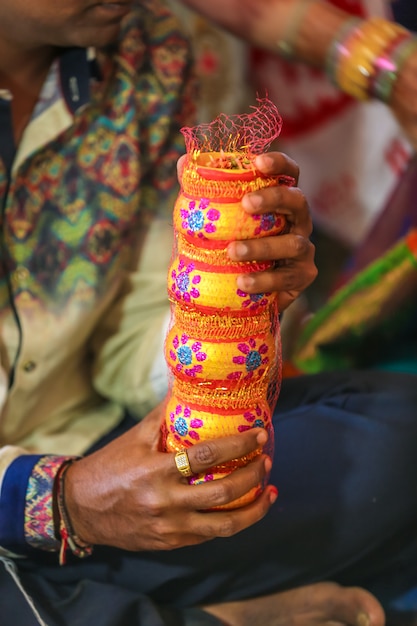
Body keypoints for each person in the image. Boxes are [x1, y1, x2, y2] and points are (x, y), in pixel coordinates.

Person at [0, 2, 417, 626]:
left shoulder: (147, 55)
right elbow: (64, 499)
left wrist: (235, 305)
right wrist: (61, 501)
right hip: (30, 500)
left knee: (398, 439)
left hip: (105, 448)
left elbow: (125, 349)